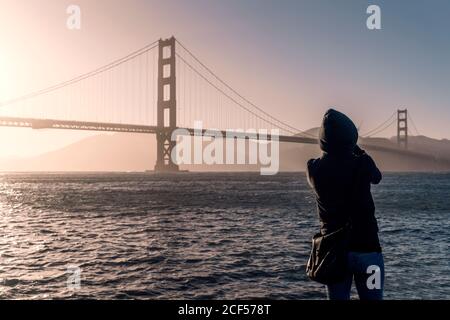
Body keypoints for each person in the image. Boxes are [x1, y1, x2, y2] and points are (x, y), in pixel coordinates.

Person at [306, 108, 384, 300]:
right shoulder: (363, 163)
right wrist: (358, 150)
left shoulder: (314, 168)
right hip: (368, 252)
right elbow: (377, 177)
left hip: (334, 255)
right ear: (352, 138)